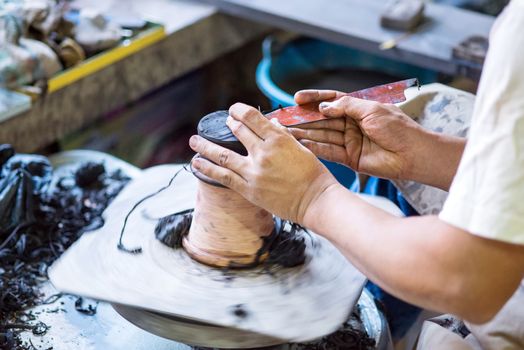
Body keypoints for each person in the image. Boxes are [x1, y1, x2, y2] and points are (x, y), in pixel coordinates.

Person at [189, 1, 524, 347]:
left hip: (483, 285)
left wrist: (311, 198)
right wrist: (426, 155)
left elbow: (464, 278)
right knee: (430, 110)